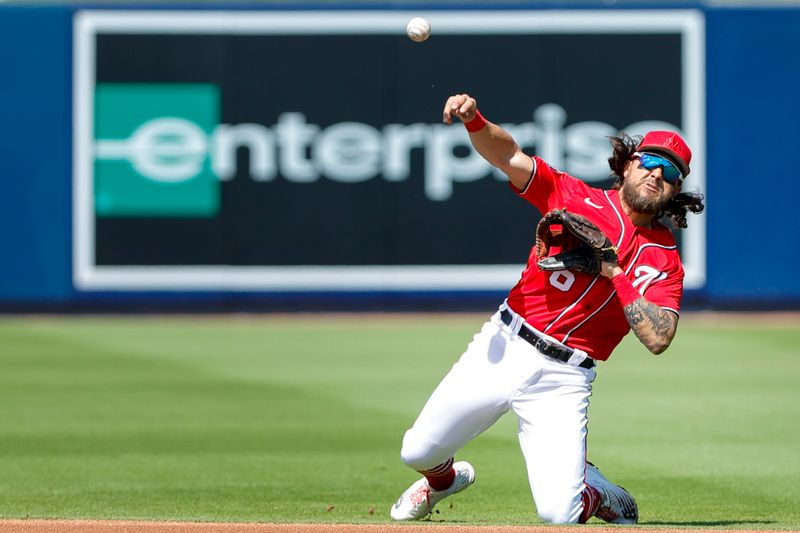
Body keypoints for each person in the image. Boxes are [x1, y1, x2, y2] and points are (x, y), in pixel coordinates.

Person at [389, 94, 705, 525]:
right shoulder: (575, 196)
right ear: (628, 164)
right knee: (417, 451)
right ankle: (443, 481)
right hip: (504, 344)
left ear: (675, 189)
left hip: (565, 376)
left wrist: (614, 272)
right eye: (649, 161)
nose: (656, 173)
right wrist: (474, 119)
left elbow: (659, 339)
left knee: (560, 514)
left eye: (670, 172)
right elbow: (509, 156)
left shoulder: (664, 258)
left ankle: (594, 491)